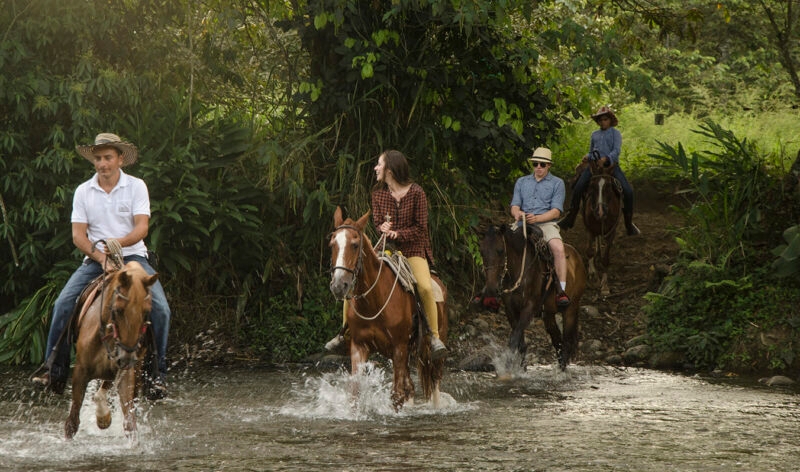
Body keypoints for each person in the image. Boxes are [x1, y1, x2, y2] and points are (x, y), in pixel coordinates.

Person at [31, 133, 171, 399]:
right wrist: (101, 257)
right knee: (63, 304)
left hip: (133, 259)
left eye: (108, 157)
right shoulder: (84, 191)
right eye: (98, 158)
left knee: (161, 309)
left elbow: (142, 227)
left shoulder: (136, 186)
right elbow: (78, 236)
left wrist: (118, 243)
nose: (102, 163)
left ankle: (157, 374)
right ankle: (53, 369)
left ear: (120, 159)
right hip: (96, 260)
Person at [325, 150, 448, 359]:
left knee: (426, 288)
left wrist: (398, 232)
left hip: (413, 250)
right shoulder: (378, 194)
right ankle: (343, 332)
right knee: (354, 279)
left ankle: (434, 337)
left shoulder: (417, 192)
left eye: (379, 165)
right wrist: (383, 226)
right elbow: (377, 223)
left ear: (389, 170)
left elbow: (421, 228)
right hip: (387, 249)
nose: (376, 168)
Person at [560, 105, 641, 235]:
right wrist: (588, 156)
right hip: (594, 167)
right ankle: (570, 217)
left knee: (628, 190)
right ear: (598, 121)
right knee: (578, 186)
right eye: (601, 120)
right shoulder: (594, 134)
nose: (603, 122)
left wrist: (606, 158)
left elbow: (616, 150)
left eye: (605, 119)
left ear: (610, 120)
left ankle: (628, 223)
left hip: (611, 167)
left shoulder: (616, 133)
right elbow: (592, 151)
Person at [510, 147, 571, 307]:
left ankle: (561, 290)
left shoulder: (557, 183)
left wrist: (537, 218)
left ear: (548, 166)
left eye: (542, 164)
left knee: (558, 248)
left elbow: (556, 211)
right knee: (501, 245)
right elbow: (515, 205)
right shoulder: (522, 182)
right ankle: (496, 287)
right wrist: (518, 214)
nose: (538, 167)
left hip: (545, 223)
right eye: (536, 164)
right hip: (522, 222)